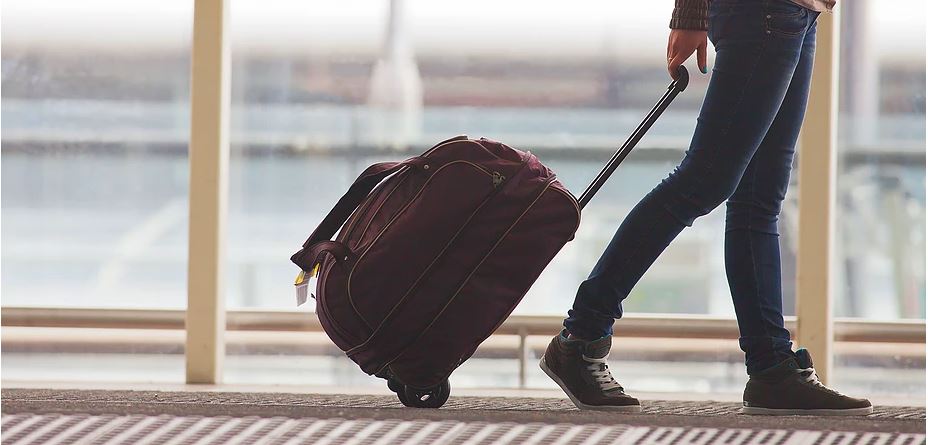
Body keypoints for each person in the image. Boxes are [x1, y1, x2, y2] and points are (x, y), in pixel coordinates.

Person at [540, 0, 874, 415]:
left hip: (800, 14)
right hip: (763, 12)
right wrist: (690, 14)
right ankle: (581, 336)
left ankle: (772, 369)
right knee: (702, 182)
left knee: (758, 199)